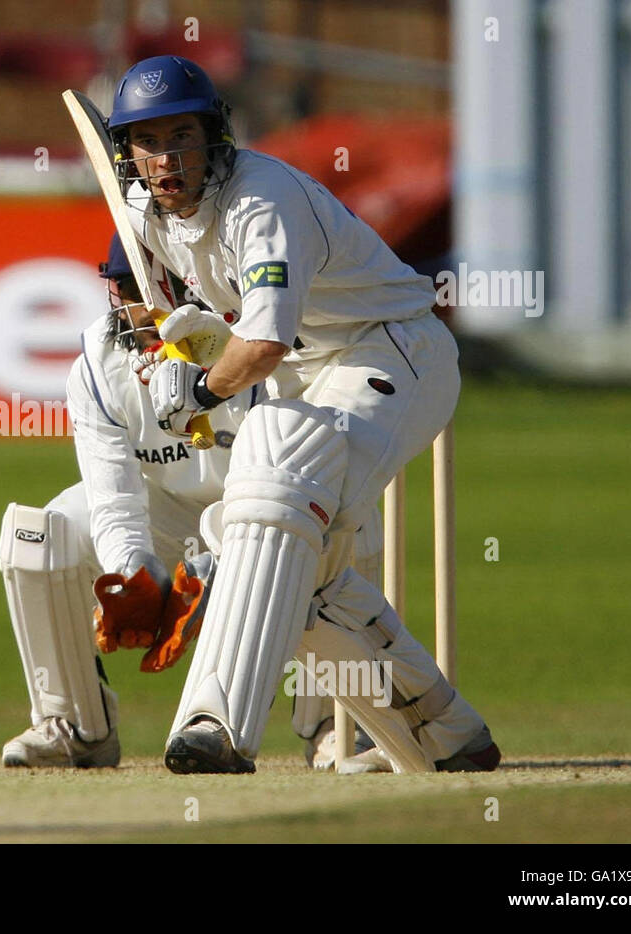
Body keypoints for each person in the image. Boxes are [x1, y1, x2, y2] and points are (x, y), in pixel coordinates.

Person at [105, 55, 501, 774]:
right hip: (308, 375)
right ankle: (443, 732)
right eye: (148, 142)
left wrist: (195, 394)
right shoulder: (144, 215)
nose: (166, 158)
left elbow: (261, 344)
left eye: (182, 136)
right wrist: (171, 365)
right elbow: (171, 315)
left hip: (391, 354)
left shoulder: (261, 202)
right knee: (303, 562)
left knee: (277, 488)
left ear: (215, 136)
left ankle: (215, 725)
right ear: (126, 153)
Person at [0, 235, 383, 769]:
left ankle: (337, 726)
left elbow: (286, 472)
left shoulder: (258, 342)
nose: (154, 303)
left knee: (352, 529)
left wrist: (219, 569)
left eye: (171, 285)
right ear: (112, 288)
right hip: (167, 510)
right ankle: (75, 726)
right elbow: (113, 497)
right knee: (39, 533)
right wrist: (137, 574)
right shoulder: (96, 365)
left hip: (270, 502)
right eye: (134, 288)